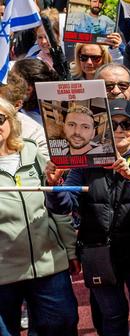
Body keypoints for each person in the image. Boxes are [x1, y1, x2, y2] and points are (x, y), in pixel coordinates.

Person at [45, 98, 130, 336]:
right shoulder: (84, 164)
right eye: (114, 125)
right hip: (98, 251)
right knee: (112, 315)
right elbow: (64, 205)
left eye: (127, 123)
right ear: (103, 129)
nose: (121, 129)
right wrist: (54, 185)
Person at [0, 98, 80, 336]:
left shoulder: (32, 151)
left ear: (11, 121)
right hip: (3, 271)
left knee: (62, 326)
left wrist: (70, 249)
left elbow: (55, 205)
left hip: (48, 263)